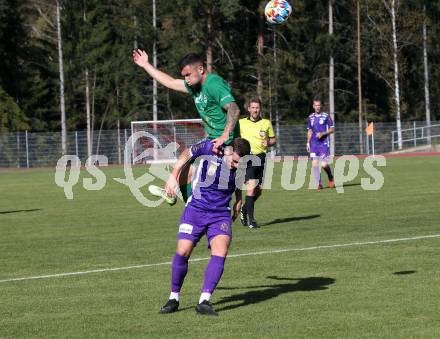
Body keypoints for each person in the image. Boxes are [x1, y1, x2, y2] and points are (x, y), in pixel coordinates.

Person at [132, 50, 240, 203]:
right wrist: (146, 65)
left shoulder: (214, 84)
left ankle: (193, 204)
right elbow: (170, 82)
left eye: (188, 74)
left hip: (227, 143)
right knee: (184, 165)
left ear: (200, 69)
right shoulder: (194, 87)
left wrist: (225, 135)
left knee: (206, 181)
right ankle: (180, 197)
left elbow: (234, 109)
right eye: (184, 76)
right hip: (213, 139)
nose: (186, 79)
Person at [159, 137, 251, 316]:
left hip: (220, 214)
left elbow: (238, 180)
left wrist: (239, 200)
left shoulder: (240, 165)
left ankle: (204, 301)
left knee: (221, 251)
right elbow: (186, 154)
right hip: (196, 209)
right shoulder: (210, 148)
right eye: (234, 161)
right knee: (183, 250)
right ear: (228, 151)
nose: (235, 165)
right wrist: (173, 176)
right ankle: (173, 298)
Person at [238, 97, 276, 228]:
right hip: (247, 158)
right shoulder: (241, 123)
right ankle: (252, 221)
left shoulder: (266, 123)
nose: (255, 110)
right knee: (251, 187)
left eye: (257, 107)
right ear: (249, 109)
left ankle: (244, 209)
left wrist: (269, 142)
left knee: (258, 191)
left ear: (260, 109)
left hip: (261, 157)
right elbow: (234, 139)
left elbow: (273, 139)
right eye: (253, 107)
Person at [306, 99, 335, 190]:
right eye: (316, 105)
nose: (317, 107)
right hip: (314, 144)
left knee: (323, 164)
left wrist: (323, 133)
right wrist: (307, 142)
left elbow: (332, 129)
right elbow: (310, 131)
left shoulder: (326, 116)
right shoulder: (310, 117)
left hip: (323, 143)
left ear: (320, 106)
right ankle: (319, 183)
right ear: (313, 106)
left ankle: (330, 177)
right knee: (314, 164)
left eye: (319, 105)